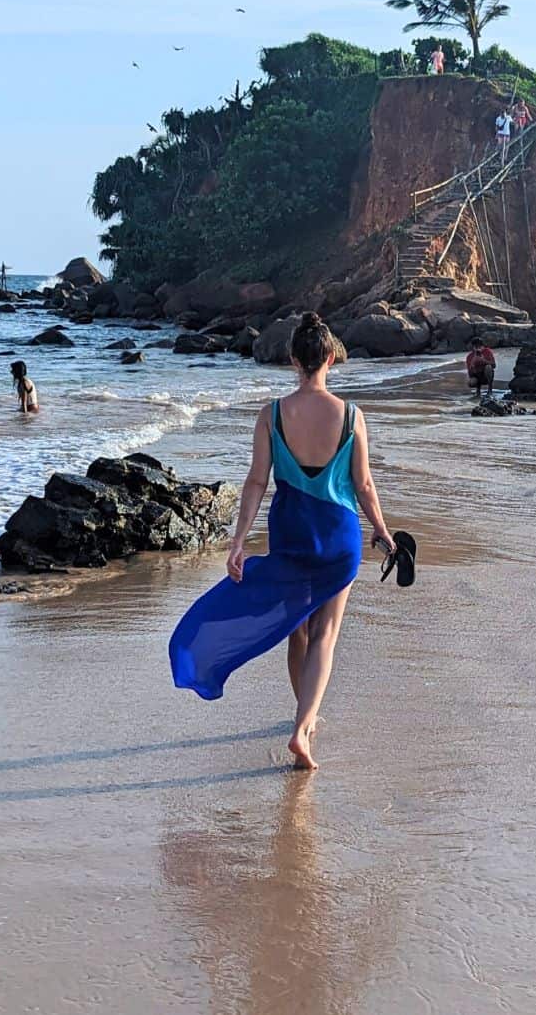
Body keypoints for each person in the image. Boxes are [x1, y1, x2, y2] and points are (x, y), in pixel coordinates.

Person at [168, 313, 392, 771]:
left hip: (290, 528)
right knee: (326, 634)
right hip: (337, 534)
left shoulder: (271, 414)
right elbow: (364, 485)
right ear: (331, 358)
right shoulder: (352, 416)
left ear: (293, 359)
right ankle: (302, 726)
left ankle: (303, 717)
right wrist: (383, 531)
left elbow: (255, 482)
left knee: (299, 630)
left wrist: (237, 541)